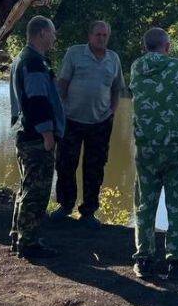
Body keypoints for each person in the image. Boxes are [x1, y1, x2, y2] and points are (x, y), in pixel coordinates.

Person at [129, 27, 178, 280]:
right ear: (167, 47)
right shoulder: (177, 66)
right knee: (177, 203)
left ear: (145, 47)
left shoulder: (136, 67)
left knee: (145, 203)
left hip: (146, 146)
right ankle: (176, 260)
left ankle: (144, 260)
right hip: (175, 146)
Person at [50, 21, 125, 227]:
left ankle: (89, 212)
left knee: (95, 167)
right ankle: (65, 206)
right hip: (71, 120)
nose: (102, 38)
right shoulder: (74, 53)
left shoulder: (113, 58)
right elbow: (62, 84)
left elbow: (117, 88)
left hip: (100, 123)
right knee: (65, 164)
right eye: (98, 34)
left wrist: (112, 111)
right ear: (90, 35)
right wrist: (59, 112)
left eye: (105, 35)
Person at [9, 16, 66, 259]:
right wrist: (47, 134)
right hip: (35, 137)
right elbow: (37, 100)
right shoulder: (33, 62)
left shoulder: (26, 58)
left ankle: (18, 235)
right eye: (52, 32)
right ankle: (29, 243)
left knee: (26, 188)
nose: (54, 37)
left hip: (27, 135)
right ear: (42, 33)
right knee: (37, 191)